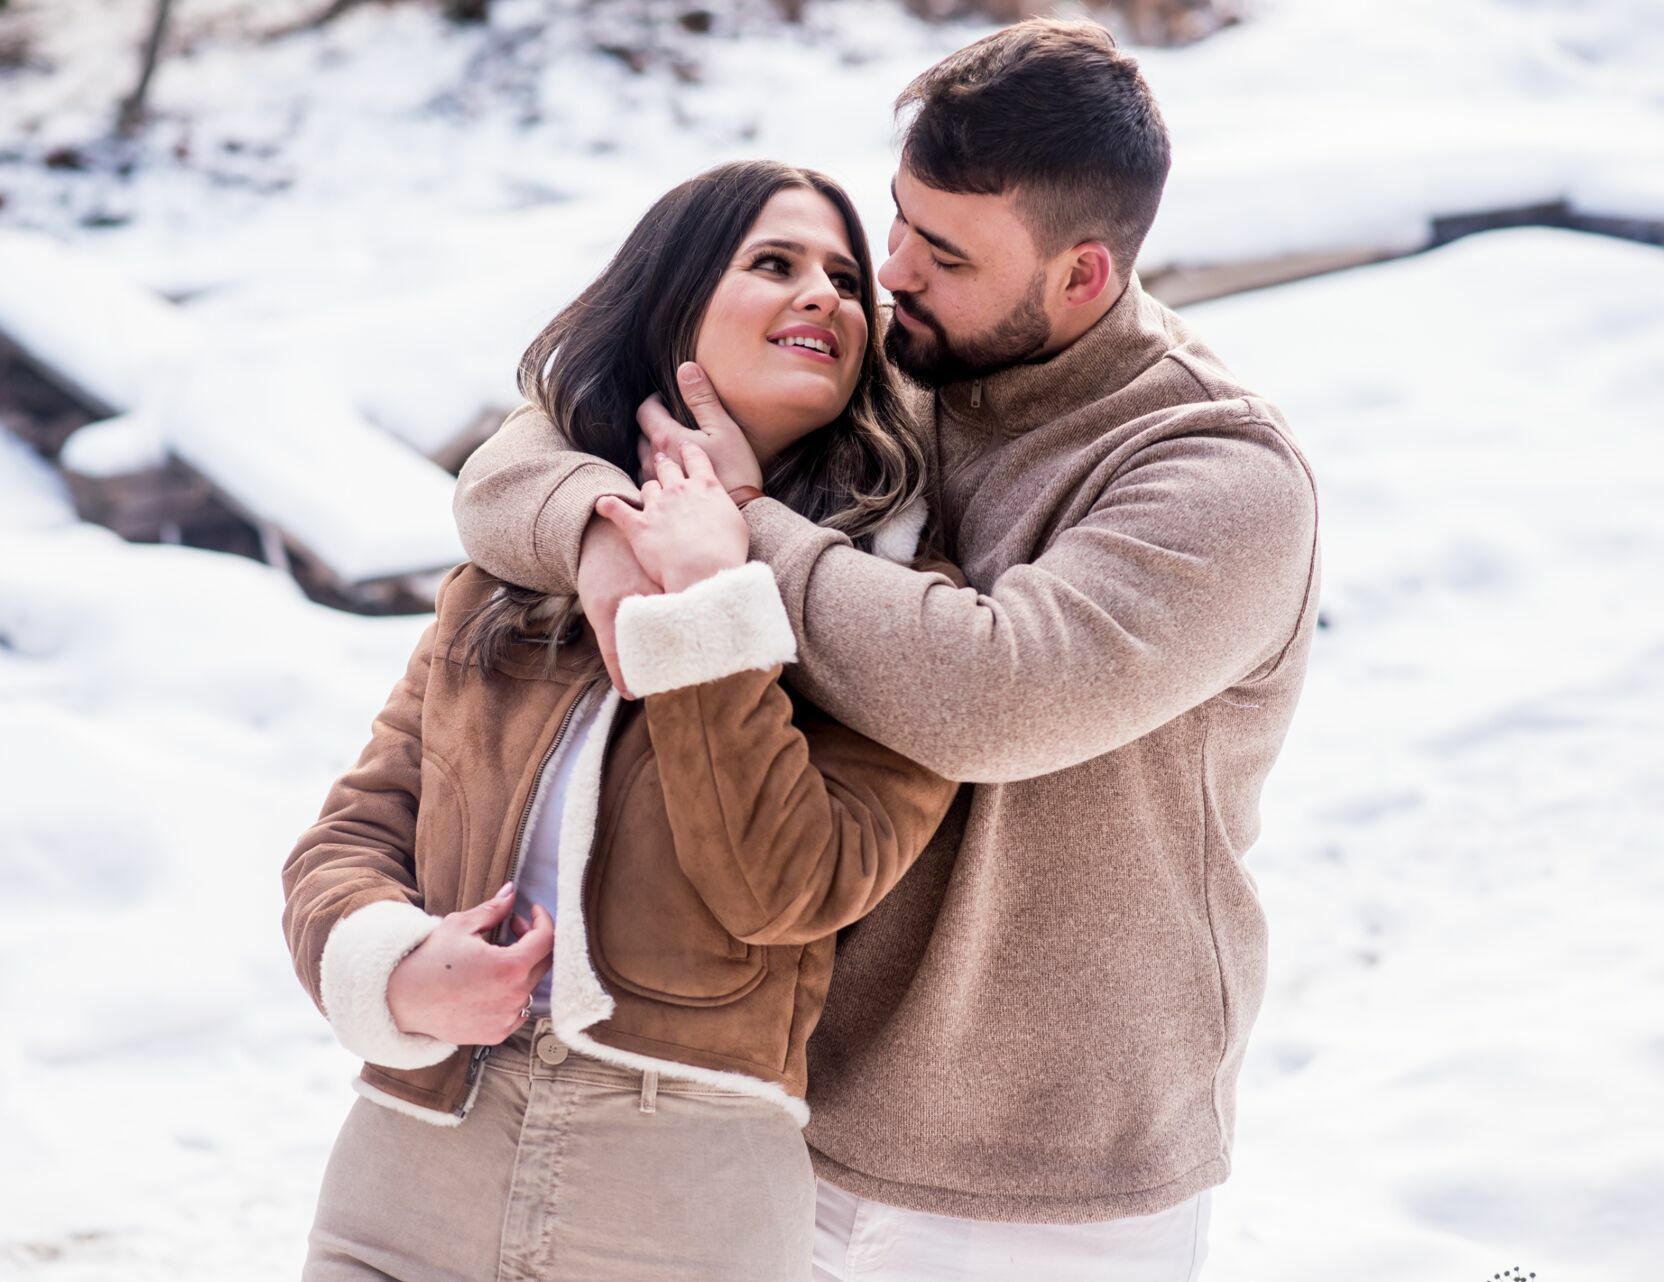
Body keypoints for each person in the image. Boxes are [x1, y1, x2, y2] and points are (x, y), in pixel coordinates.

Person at [453, 19, 1321, 1282]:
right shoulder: (897, 371)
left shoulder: (1216, 474)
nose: (894, 272)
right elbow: (524, 448)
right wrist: (597, 524)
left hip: (1048, 1177)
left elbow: (991, 693)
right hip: (788, 1109)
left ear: (1082, 278)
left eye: (947, 253)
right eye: (900, 221)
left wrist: (736, 528)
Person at [282, 159, 962, 1282]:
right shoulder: (518, 568)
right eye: (775, 263)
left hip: (683, 1196)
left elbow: (786, 886)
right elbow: (353, 835)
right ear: (674, 299)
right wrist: (395, 972)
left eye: (847, 279)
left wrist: (708, 598)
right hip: (411, 1162)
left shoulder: (892, 599)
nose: (827, 297)